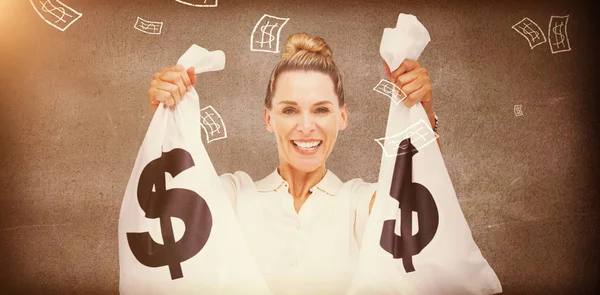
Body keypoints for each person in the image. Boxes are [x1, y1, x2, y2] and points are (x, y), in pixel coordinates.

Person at [146, 33, 436, 295]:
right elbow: (169, 215)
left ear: (342, 117)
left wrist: (422, 114)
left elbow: (421, 207)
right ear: (269, 118)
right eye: (290, 110)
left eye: (321, 109)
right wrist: (167, 118)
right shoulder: (234, 197)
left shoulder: (361, 203)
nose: (306, 126)